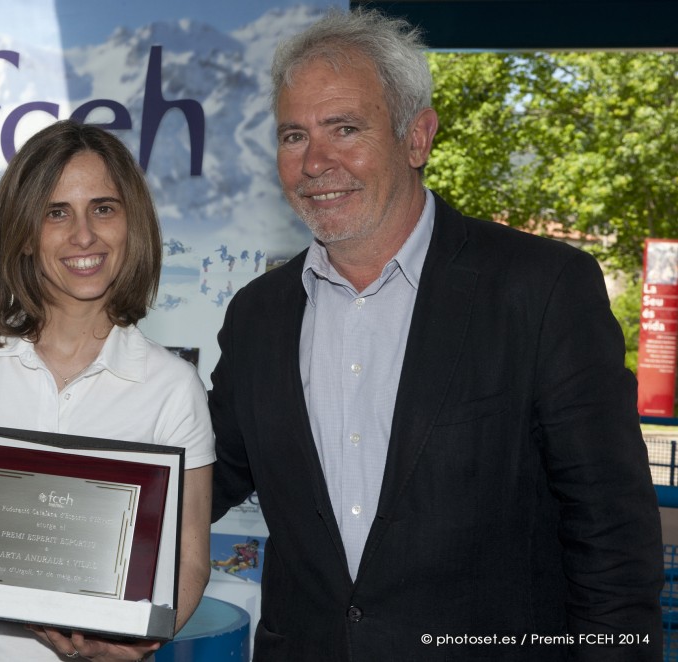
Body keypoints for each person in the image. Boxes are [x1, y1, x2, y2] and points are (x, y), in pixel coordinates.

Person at [208, 8, 663, 661]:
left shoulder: (541, 290)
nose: (316, 162)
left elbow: (613, 546)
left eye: (345, 128)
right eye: (293, 135)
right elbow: (205, 478)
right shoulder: (257, 316)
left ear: (417, 138)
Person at [0, 120, 214, 662]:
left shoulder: (173, 388)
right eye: (56, 212)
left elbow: (190, 562)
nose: (84, 236)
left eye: (103, 208)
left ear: (133, 223)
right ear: (22, 230)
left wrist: (139, 642)